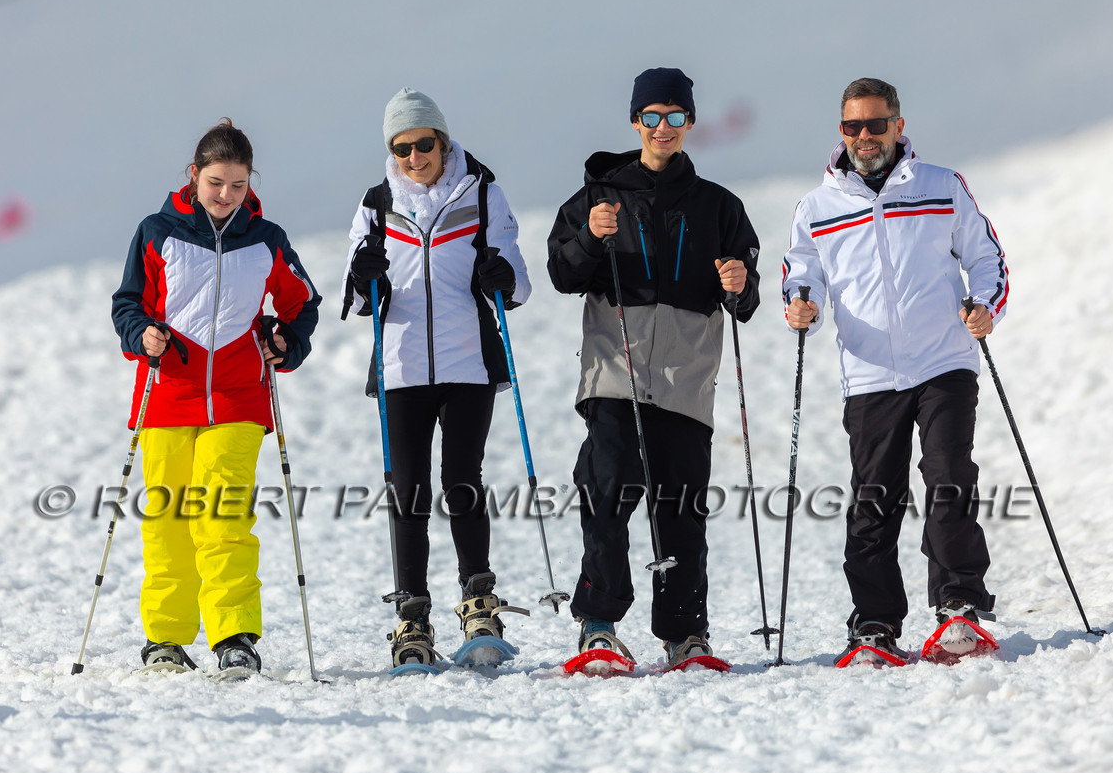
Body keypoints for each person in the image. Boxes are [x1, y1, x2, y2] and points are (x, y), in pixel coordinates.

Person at [782, 77, 1007, 664]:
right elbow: (801, 269)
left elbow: (986, 257)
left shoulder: (940, 185)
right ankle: (875, 624)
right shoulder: (819, 205)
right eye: (853, 127)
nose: (865, 137)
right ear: (842, 133)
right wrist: (801, 301)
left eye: (876, 125)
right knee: (874, 497)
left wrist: (984, 307)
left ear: (899, 127)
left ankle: (958, 607)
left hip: (942, 360)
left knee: (948, 473)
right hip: (870, 372)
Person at [546, 67, 761, 669]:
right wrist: (590, 237)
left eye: (674, 117)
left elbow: (746, 298)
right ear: (635, 121)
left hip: (686, 381)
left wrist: (739, 285)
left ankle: (685, 634)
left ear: (689, 123)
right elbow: (563, 275)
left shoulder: (719, 206)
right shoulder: (598, 198)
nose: (662, 128)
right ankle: (599, 626)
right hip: (616, 372)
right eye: (651, 117)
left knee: (680, 511)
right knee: (608, 493)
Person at [111, 119, 320, 677]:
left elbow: (303, 302)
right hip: (167, 396)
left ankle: (233, 637)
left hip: (237, 397)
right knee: (168, 521)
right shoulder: (157, 231)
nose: (226, 195)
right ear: (194, 176)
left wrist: (287, 341)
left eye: (237, 185)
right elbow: (128, 303)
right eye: (215, 182)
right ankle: (167, 640)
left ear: (251, 183)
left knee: (222, 515)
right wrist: (142, 335)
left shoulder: (266, 238)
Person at [342, 89, 534, 670]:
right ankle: (412, 615)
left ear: (442, 141)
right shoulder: (377, 205)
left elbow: (518, 285)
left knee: (461, 479)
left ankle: (479, 601)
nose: (414, 156)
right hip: (402, 368)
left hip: (469, 362)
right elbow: (356, 294)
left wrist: (499, 274)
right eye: (401, 148)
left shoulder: (481, 193)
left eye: (424, 144)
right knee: (408, 490)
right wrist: (362, 274)